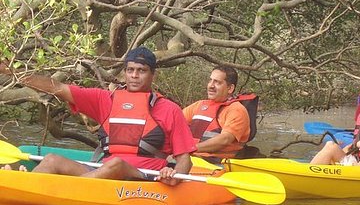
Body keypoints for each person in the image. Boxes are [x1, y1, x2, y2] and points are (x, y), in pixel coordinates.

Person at [0, 47, 196, 185]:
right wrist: (11, 71)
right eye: (130, 70)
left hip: (143, 179)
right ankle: (28, 185)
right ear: (125, 73)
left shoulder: (169, 109)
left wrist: (175, 175)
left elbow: (185, 160)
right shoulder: (106, 99)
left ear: (153, 75)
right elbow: (58, 88)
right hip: (100, 175)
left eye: (141, 71)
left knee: (117, 164)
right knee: (51, 159)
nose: (134, 76)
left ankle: (49, 186)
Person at [182, 65, 253, 162]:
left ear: (230, 88)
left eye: (217, 82)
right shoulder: (198, 105)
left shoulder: (237, 110)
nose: (211, 85)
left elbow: (224, 139)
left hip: (218, 165)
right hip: (191, 159)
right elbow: (173, 123)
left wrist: (190, 148)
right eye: (210, 80)